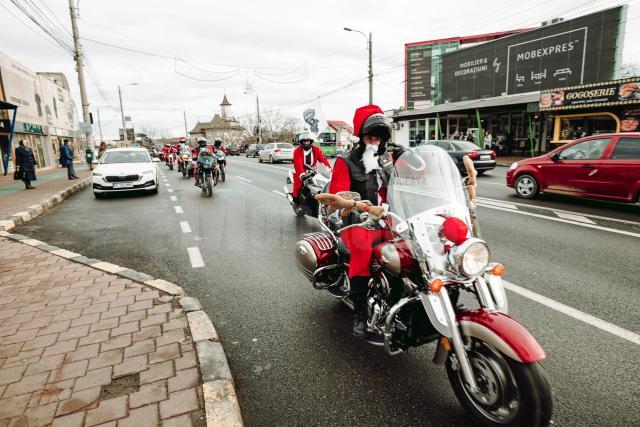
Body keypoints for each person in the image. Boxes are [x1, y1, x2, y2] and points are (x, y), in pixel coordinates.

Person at [328, 104, 398, 340]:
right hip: (357, 224)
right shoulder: (345, 162)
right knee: (362, 250)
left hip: (387, 222)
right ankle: (360, 314)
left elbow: (410, 183)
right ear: (361, 138)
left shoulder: (388, 161)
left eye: (378, 138)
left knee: (410, 249)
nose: (374, 142)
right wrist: (361, 207)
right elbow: (338, 198)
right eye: (369, 137)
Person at [292, 131, 331, 212]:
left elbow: (323, 160)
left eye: (308, 141)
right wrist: (302, 174)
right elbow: (298, 164)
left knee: (320, 185)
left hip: (312, 170)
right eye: (304, 141)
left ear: (311, 141)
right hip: (301, 171)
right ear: (301, 142)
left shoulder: (316, 149)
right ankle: (296, 203)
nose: (306, 142)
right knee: (298, 186)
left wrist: (329, 169)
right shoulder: (297, 151)